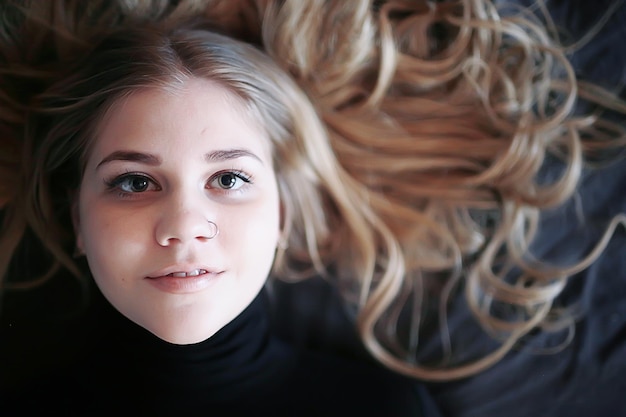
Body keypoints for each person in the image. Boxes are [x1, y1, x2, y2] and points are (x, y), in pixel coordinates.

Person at [1, 0, 625, 416]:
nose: (185, 226)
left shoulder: (381, 407)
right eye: (134, 183)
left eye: (228, 177)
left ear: (282, 217)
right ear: (74, 219)